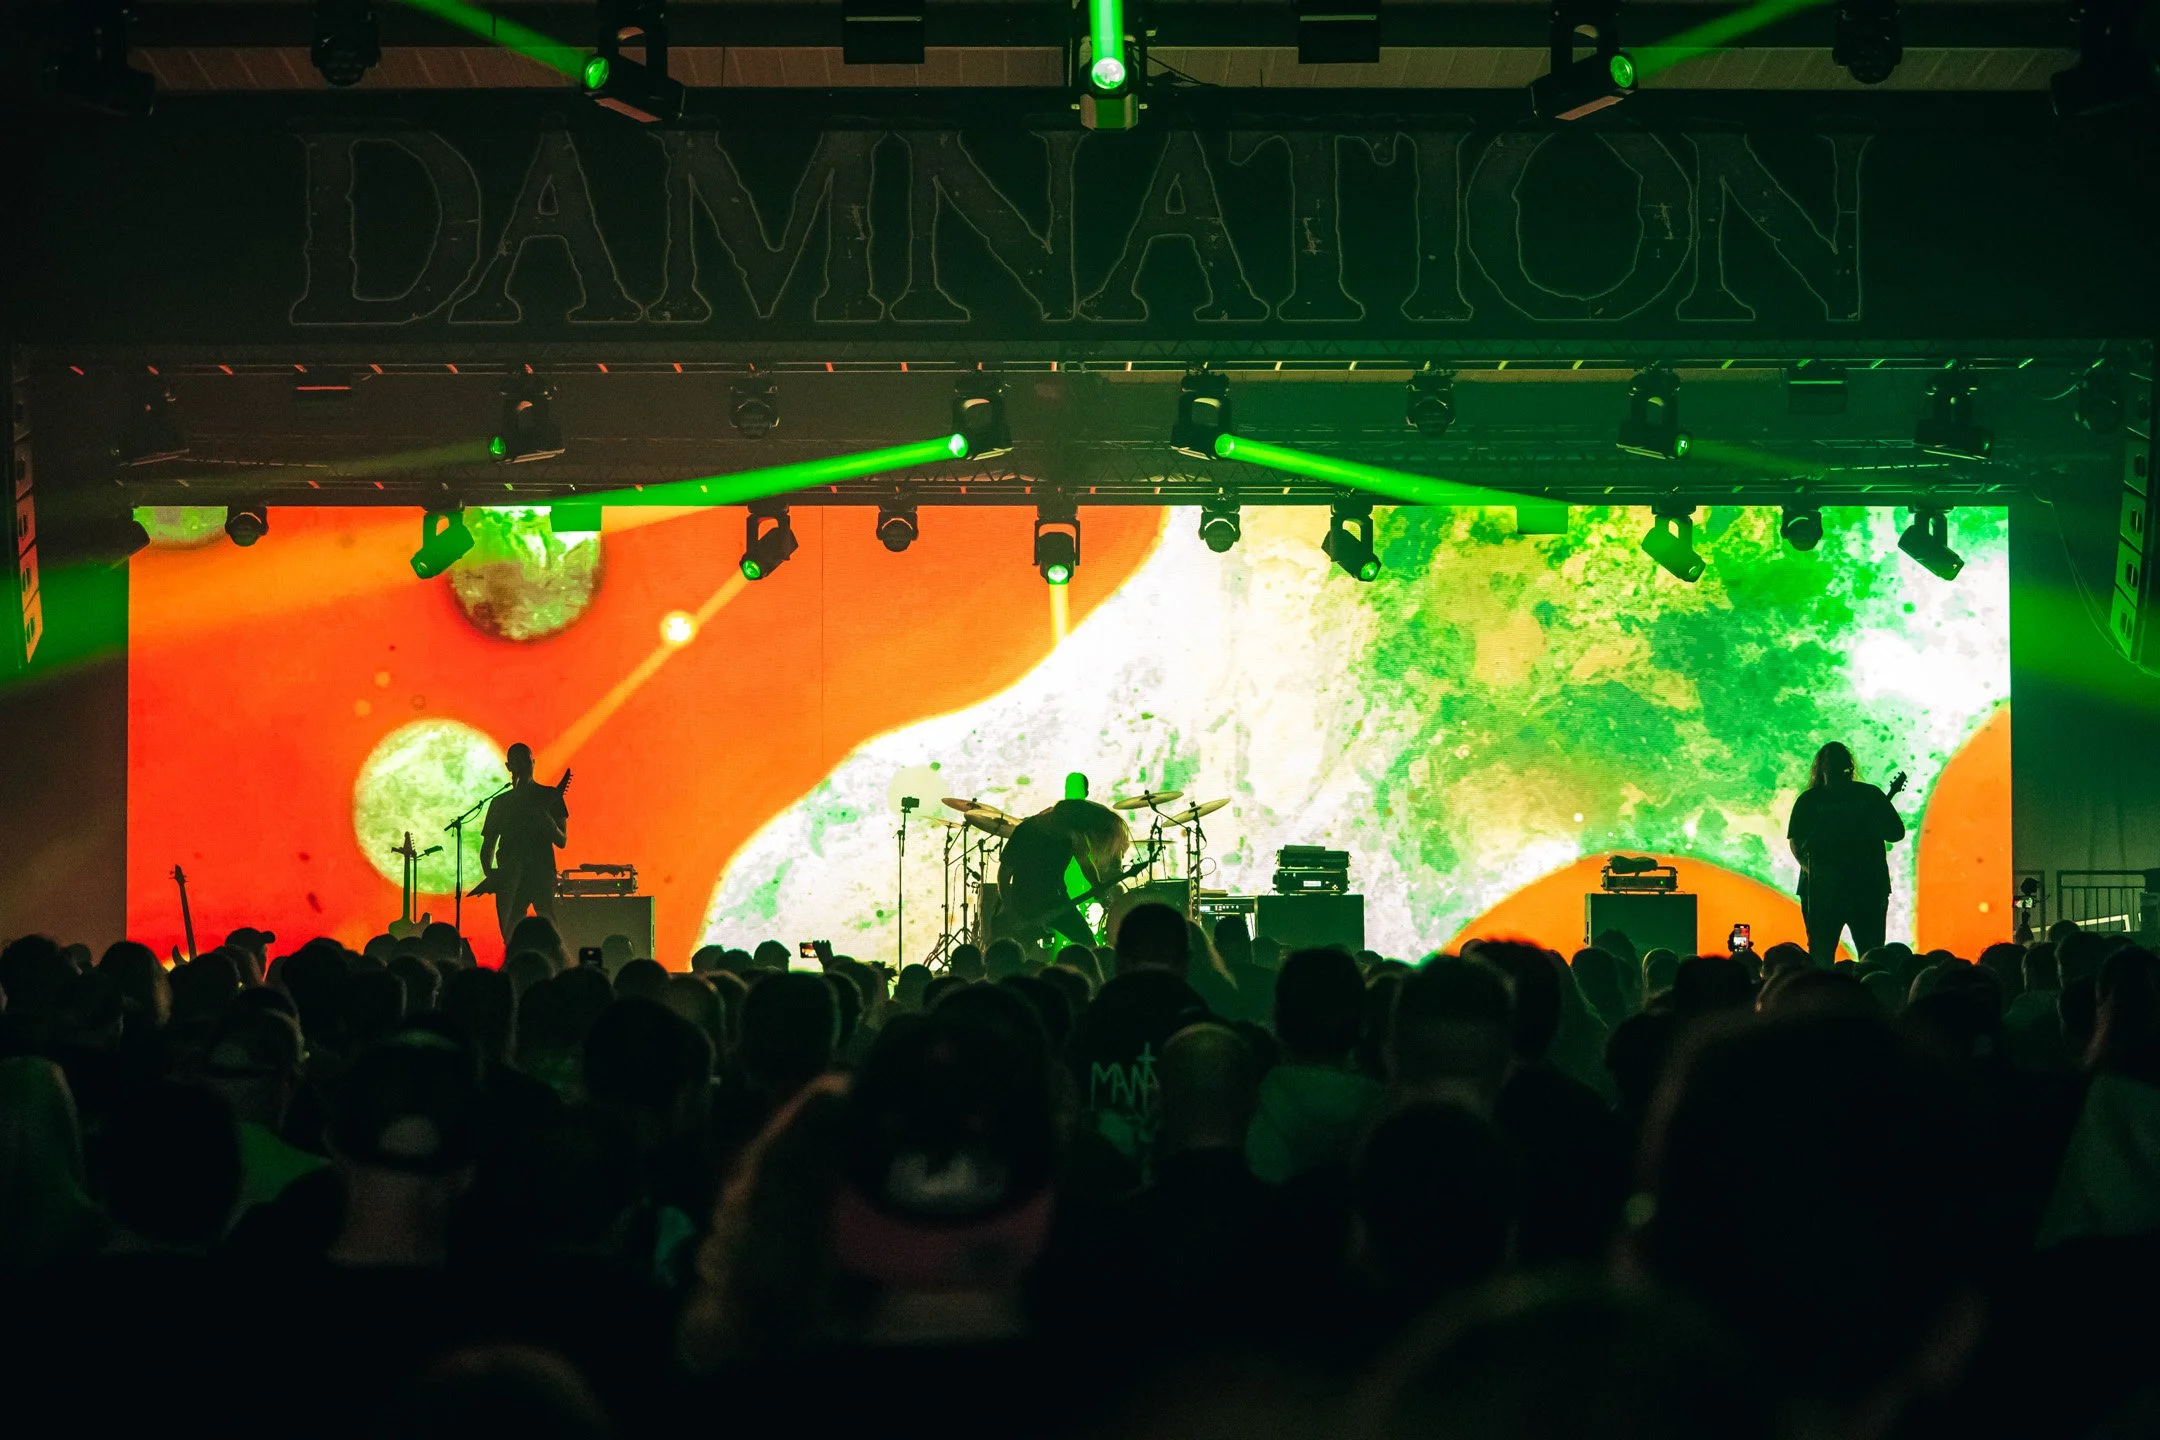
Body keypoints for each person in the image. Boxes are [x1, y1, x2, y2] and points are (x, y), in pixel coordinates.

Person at [1787, 741, 1907, 964]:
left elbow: (1896, 832)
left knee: (1868, 953)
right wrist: (1816, 873)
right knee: (1829, 954)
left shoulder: (1869, 795)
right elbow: (1797, 843)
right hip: (1828, 890)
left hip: (1864, 888)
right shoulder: (1810, 800)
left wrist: (1872, 824)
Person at [996, 798, 1131, 949]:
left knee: (1089, 945)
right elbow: (1003, 876)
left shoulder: (1072, 834)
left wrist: (1096, 885)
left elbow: (1085, 863)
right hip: (1025, 902)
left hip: (1058, 900)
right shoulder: (1025, 831)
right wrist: (1011, 910)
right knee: (1019, 949)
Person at [479, 742, 571, 948]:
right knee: (510, 935)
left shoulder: (550, 796)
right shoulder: (500, 803)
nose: (523, 767)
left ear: (533, 763)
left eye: (527, 762)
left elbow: (562, 840)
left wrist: (548, 823)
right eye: (517, 762)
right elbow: (488, 845)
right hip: (509, 875)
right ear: (508, 766)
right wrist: (491, 875)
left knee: (551, 930)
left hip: (541, 874)